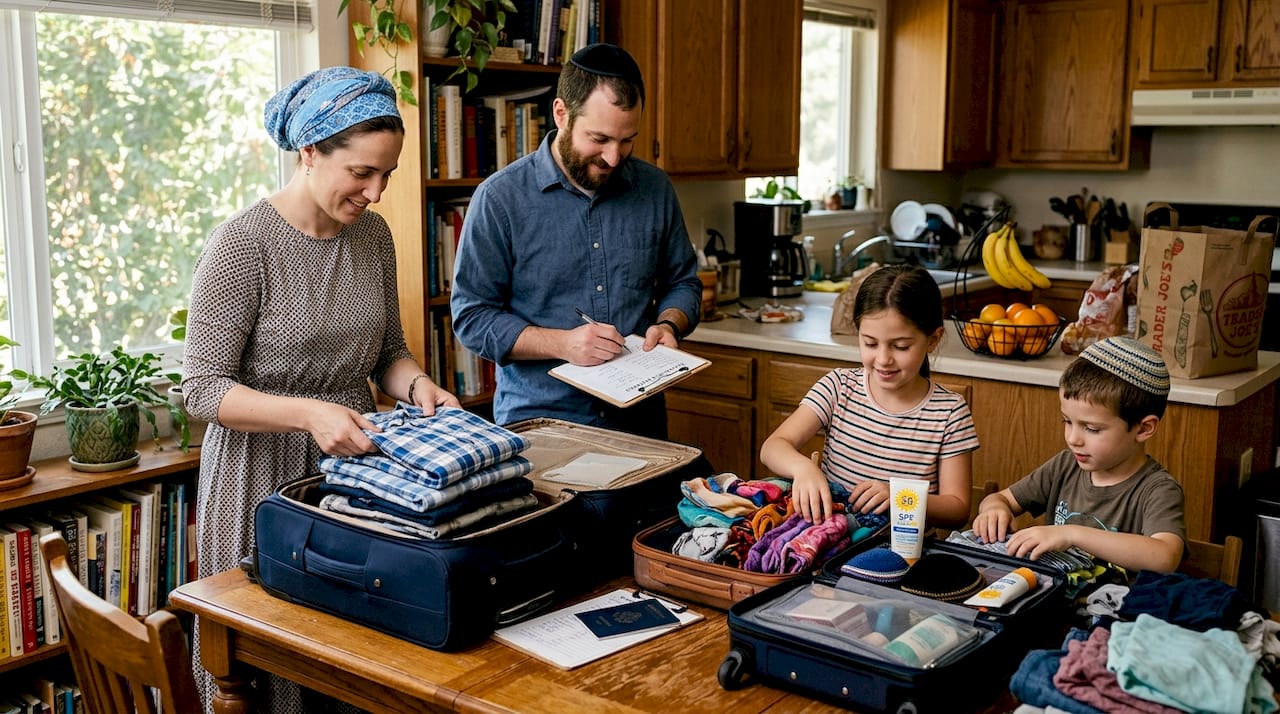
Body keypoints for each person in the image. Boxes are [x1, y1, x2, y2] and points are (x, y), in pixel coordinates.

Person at [182, 66, 458, 711]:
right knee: (270, 674)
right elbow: (202, 391)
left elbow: (388, 353)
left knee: (350, 668)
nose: (376, 190)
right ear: (309, 151)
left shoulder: (374, 238)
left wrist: (418, 384)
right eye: (361, 172)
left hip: (351, 478)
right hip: (258, 482)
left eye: (386, 174)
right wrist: (311, 415)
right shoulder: (241, 245)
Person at [450, 43, 702, 439]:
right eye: (599, 139)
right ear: (561, 113)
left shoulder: (655, 189)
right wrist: (562, 343)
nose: (614, 157)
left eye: (627, 140)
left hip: (642, 428)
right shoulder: (500, 199)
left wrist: (669, 324)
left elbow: (683, 282)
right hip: (542, 430)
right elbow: (472, 318)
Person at [760, 264, 978, 525]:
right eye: (870, 343)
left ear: (933, 340)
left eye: (900, 346)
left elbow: (957, 509)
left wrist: (898, 496)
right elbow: (772, 447)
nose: (883, 359)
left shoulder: (950, 412)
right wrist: (803, 468)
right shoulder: (839, 387)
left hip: (902, 553)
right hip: (831, 542)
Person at [971, 336, 1184, 574]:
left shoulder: (1157, 489)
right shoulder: (1065, 466)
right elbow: (1000, 499)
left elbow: (1165, 556)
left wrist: (1071, 533)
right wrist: (993, 510)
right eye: (1067, 421)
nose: (1073, 439)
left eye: (1092, 429)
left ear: (1143, 429)